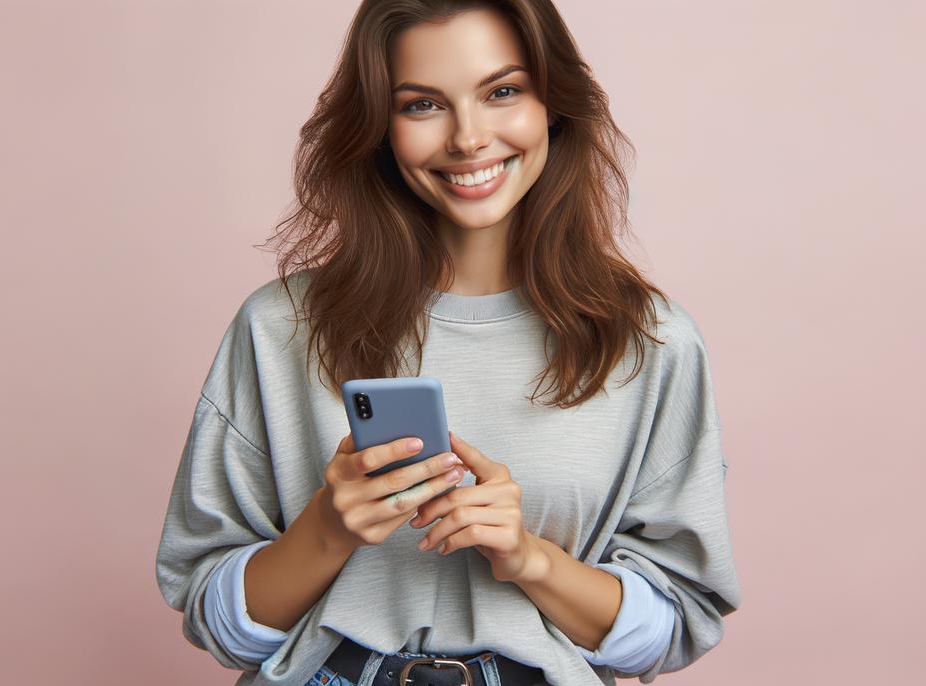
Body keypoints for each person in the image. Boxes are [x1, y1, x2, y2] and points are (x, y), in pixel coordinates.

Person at [154, 1, 741, 685]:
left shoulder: (651, 342)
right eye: (424, 105)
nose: (468, 138)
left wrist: (528, 558)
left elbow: (676, 624)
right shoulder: (279, 327)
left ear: (554, 102)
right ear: (379, 127)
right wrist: (328, 529)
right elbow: (212, 619)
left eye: (503, 92)